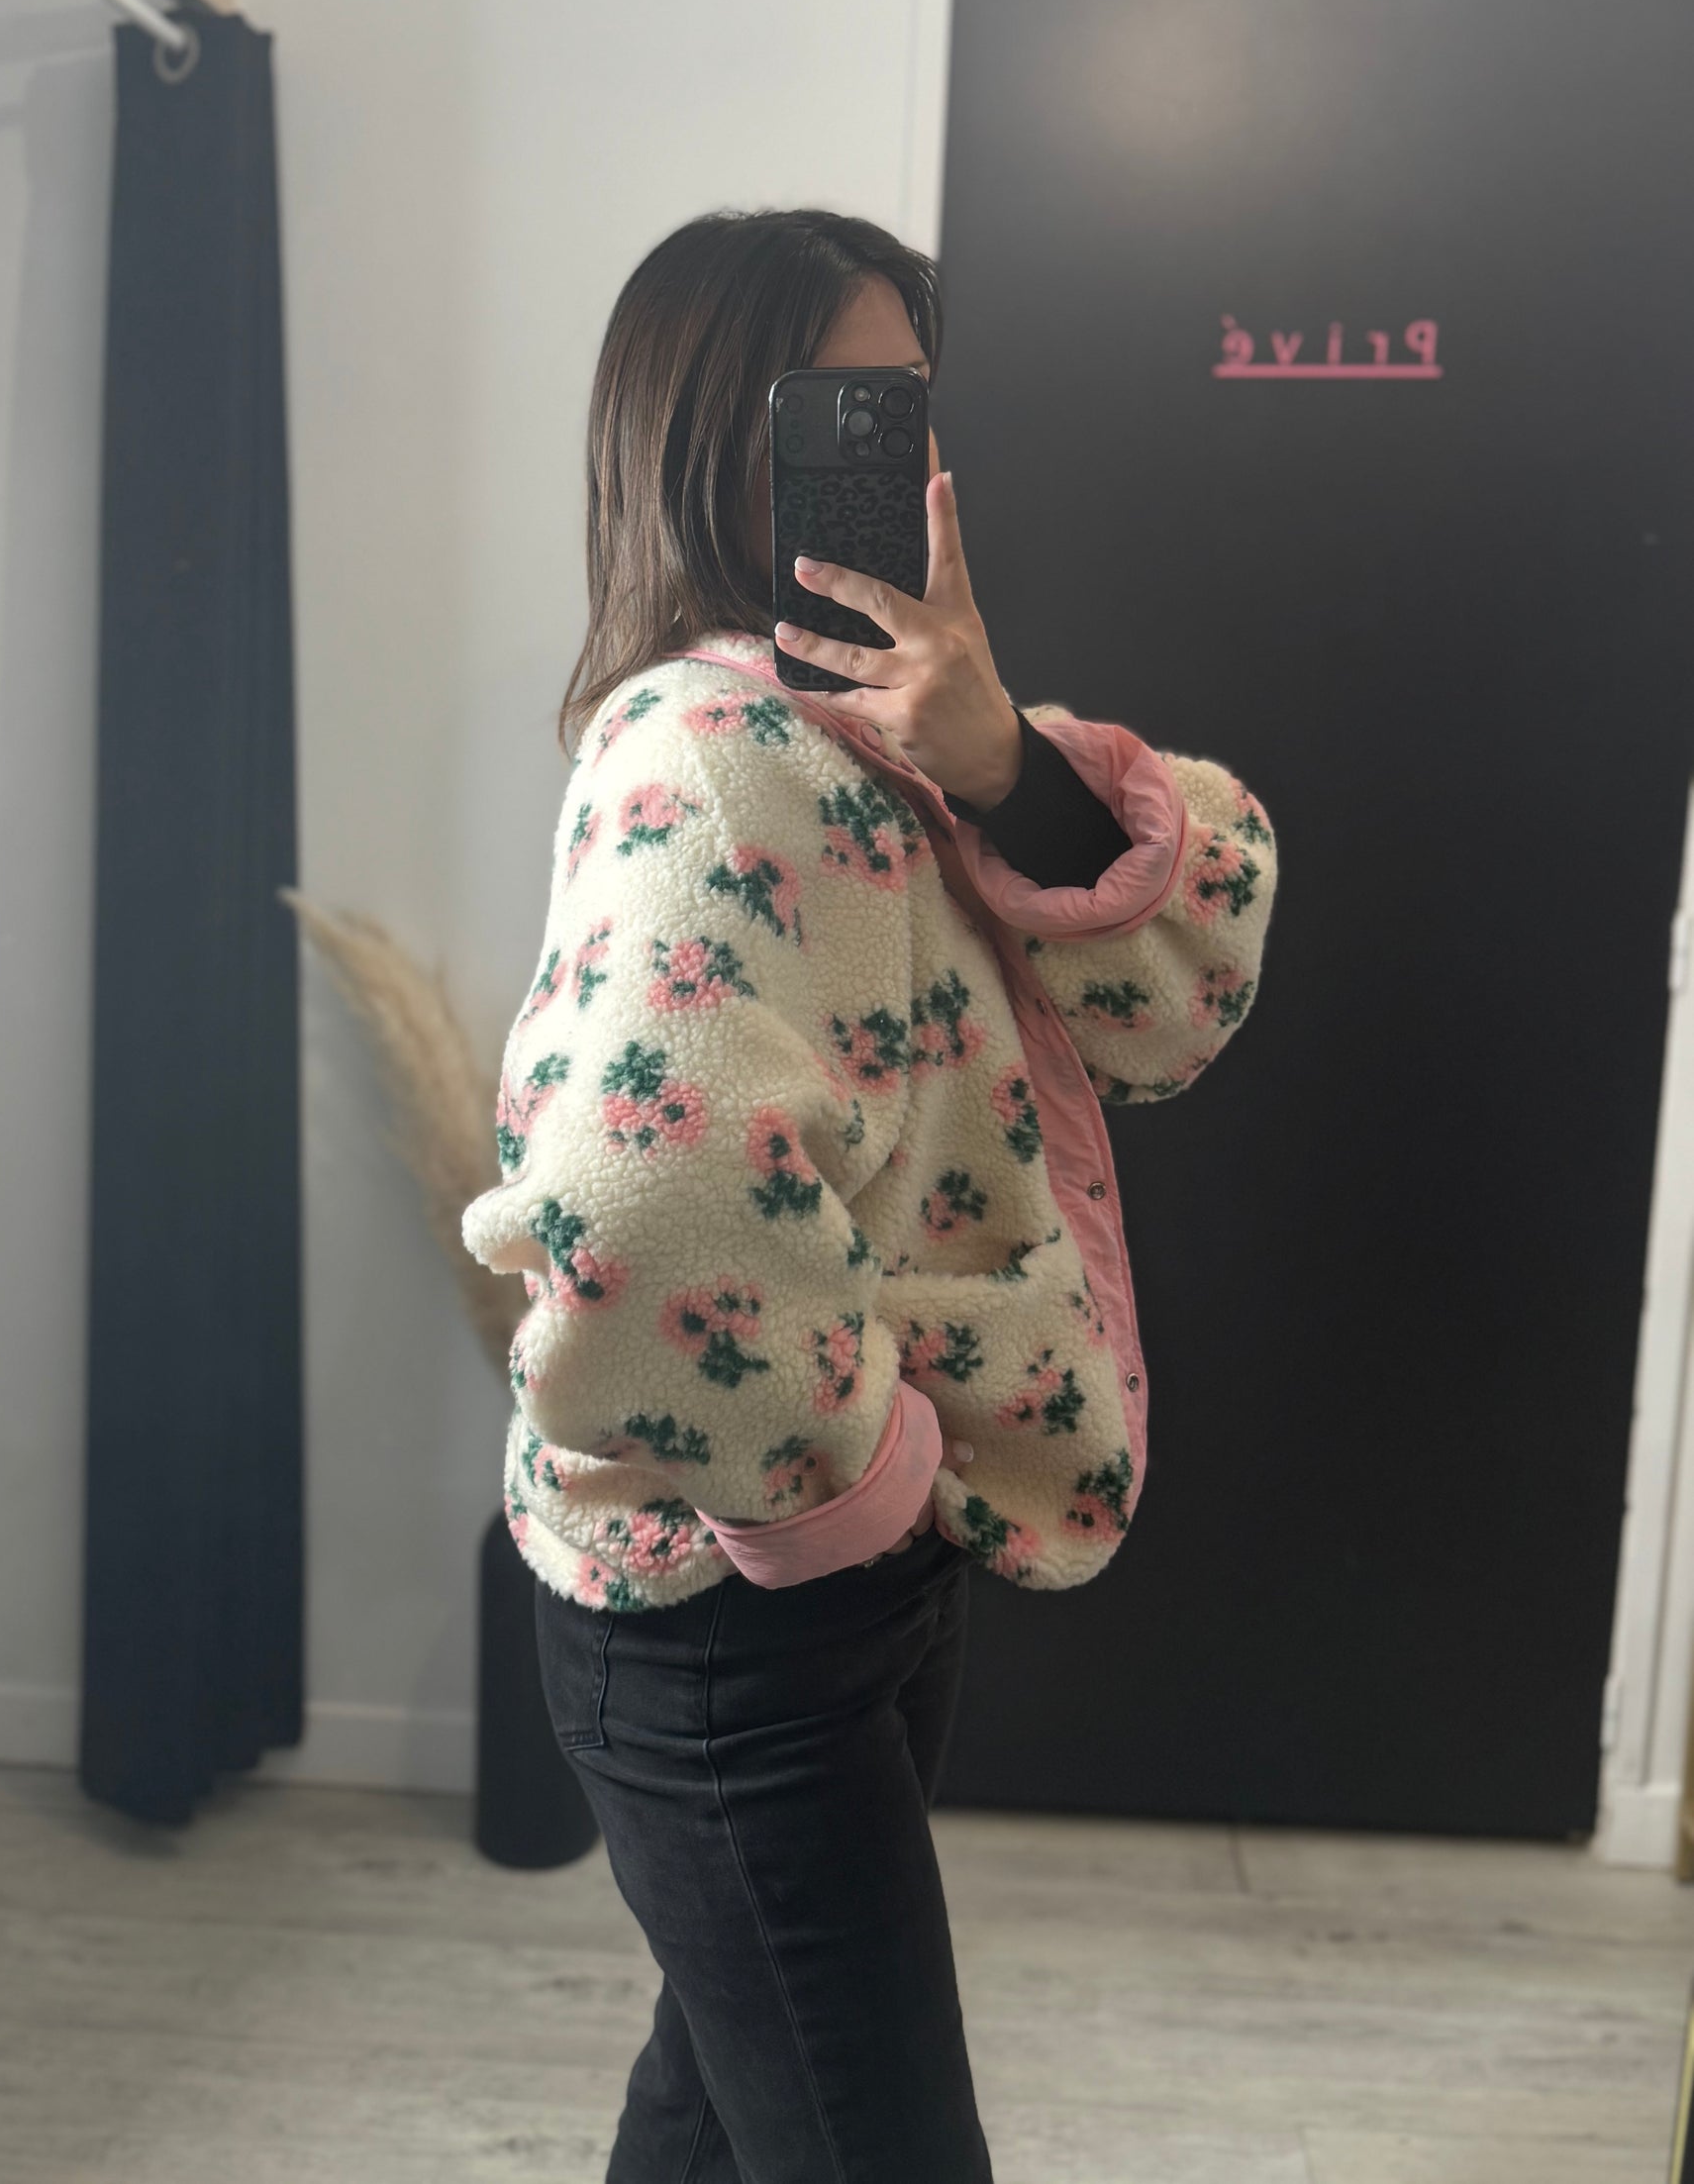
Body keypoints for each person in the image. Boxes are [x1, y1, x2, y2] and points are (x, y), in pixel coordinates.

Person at [462, 209, 1277, 2183]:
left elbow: (1178, 986)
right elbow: (634, 1194)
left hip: (825, 1569)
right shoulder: (701, 754)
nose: (895, 458)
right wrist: (857, 1480)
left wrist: (998, 758)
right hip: (738, 1595)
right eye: (838, 407)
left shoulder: (872, 737)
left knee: (723, 2110)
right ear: (702, 436)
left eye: (905, 404)